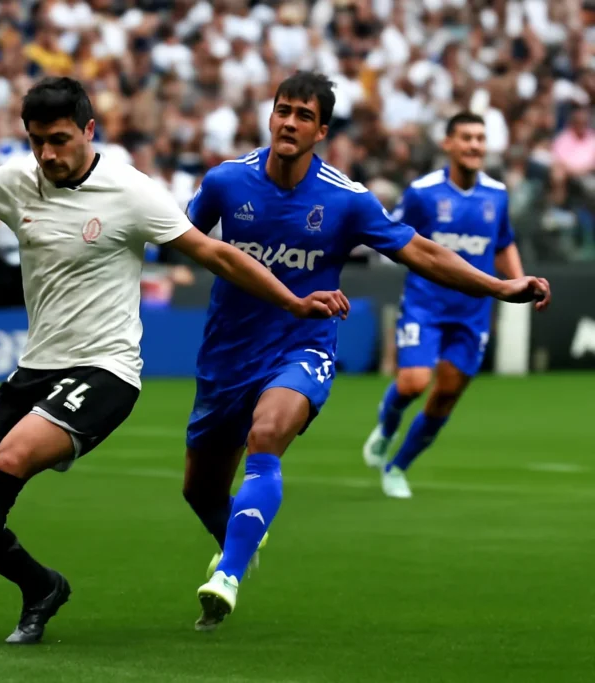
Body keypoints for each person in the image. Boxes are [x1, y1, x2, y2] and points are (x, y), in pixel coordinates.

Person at [0, 77, 349, 644]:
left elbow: (213, 252)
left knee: (10, 459)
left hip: (106, 371)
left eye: (59, 140)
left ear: (88, 131)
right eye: (36, 141)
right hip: (35, 368)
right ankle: (41, 586)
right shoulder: (17, 180)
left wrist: (292, 300)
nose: (48, 154)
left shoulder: (131, 192)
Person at [181, 72, 550, 631]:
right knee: (200, 488)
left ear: (321, 130)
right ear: (270, 115)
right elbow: (177, 238)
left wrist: (501, 286)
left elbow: (421, 251)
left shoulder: (346, 199)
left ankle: (226, 576)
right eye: (283, 110)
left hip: (302, 346)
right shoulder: (225, 183)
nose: (289, 122)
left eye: (304, 115)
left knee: (267, 436)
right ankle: (240, 535)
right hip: (227, 354)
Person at [362, 113, 526, 498]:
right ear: (448, 144)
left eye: (480, 138)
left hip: (473, 313)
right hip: (426, 305)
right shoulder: (423, 193)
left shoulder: (497, 194)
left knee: (447, 393)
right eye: (466, 137)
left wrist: (517, 282)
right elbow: (396, 237)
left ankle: (397, 467)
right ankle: (387, 427)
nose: (474, 145)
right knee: (414, 381)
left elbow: (503, 243)